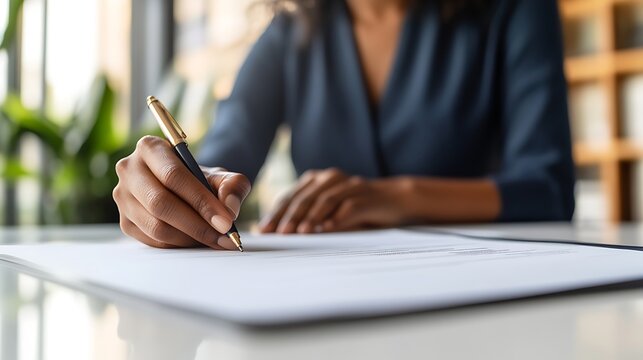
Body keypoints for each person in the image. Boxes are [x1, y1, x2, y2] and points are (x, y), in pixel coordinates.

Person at [112, 0, 575, 250]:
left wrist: (393, 197)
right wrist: (176, 187)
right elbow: (224, 153)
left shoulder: (514, 9)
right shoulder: (292, 30)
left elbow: (547, 186)